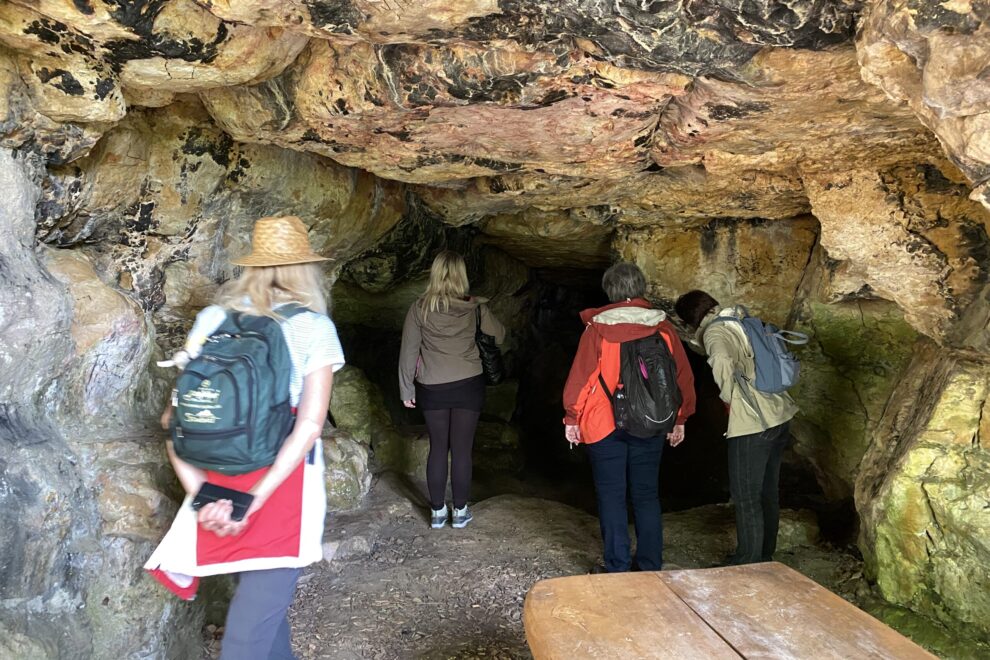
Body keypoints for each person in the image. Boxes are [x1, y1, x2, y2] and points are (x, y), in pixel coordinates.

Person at [146, 215, 345, 660]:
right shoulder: (314, 328)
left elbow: (174, 419)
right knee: (247, 637)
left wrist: (203, 496)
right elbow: (310, 426)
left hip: (214, 477)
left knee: (261, 618)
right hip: (281, 486)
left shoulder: (214, 318)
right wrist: (253, 500)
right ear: (306, 269)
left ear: (250, 267)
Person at [562, 263, 695, 573]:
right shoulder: (663, 328)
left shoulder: (597, 329)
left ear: (610, 291)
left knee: (611, 495)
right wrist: (680, 418)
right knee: (646, 494)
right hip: (649, 422)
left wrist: (572, 418)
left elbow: (582, 378)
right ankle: (649, 565)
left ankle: (617, 567)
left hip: (603, 424)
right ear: (641, 288)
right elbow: (681, 377)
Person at [674, 289, 798, 565]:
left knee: (745, 495)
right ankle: (764, 553)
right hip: (780, 415)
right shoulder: (741, 319)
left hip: (754, 422)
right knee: (767, 491)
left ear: (689, 321)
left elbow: (721, 360)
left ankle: (748, 559)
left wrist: (729, 397)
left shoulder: (715, 334)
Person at [398, 250, 505, 530]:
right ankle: (459, 512)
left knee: (437, 449)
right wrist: (484, 311)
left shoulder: (419, 308)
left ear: (434, 274)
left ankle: (436, 512)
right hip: (469, 384)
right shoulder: (475, 307)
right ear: (462, 276)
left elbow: (408, 352)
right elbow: (500, 335)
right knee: (461, 450)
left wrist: (406, 388)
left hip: (432, 386)